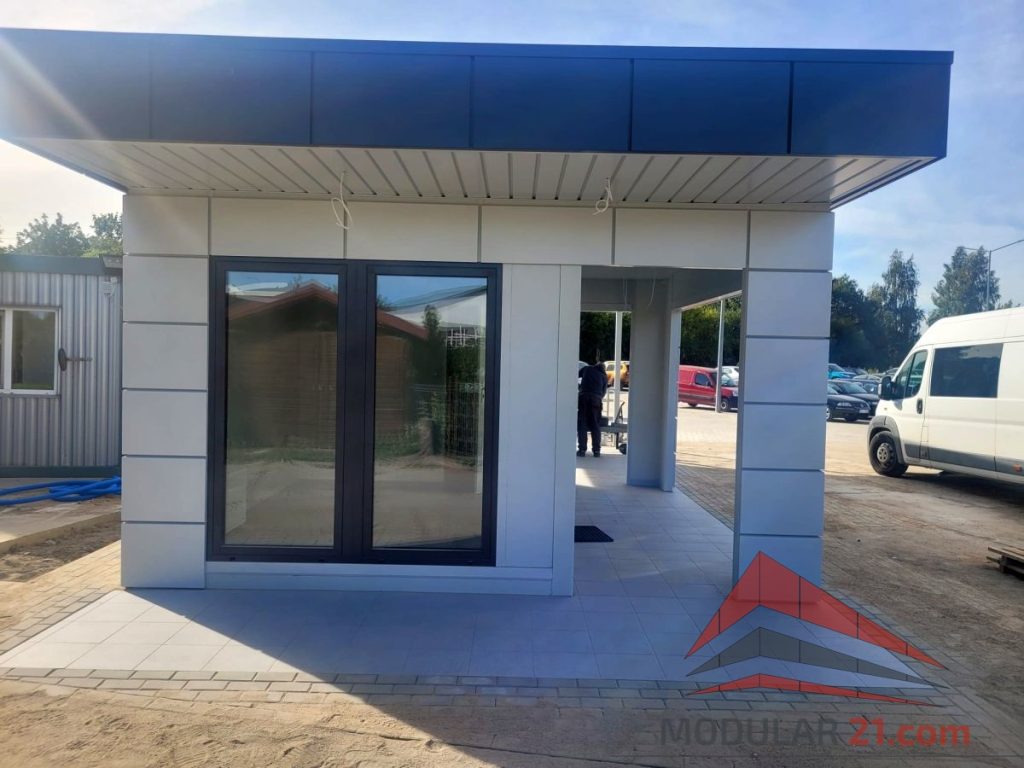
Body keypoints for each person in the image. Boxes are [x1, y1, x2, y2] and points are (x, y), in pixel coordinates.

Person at [577, 359, 608, 457]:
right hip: (596, 400)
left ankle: (582, 450)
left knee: (582, 424)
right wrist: (597, 398)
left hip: (583, 397)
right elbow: (603, 392)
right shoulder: (604, 376)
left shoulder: (587, 369)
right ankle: (596, 451)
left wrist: (580, 387)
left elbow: (576, 375)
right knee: (595, 425)